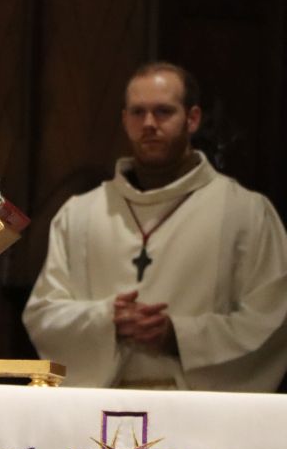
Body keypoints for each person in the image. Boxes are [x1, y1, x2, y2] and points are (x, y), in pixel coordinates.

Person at [24, 62, 287, 391]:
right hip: (100, 408)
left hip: (199, 410)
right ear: (125, 120)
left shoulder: (245, 213)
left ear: (192, 118)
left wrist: (179, 336)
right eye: (138, 112)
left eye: (163, 111)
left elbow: (273, 319)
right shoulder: (79, 214)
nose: (149, 124)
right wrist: (108, 321)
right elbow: (43, 316)